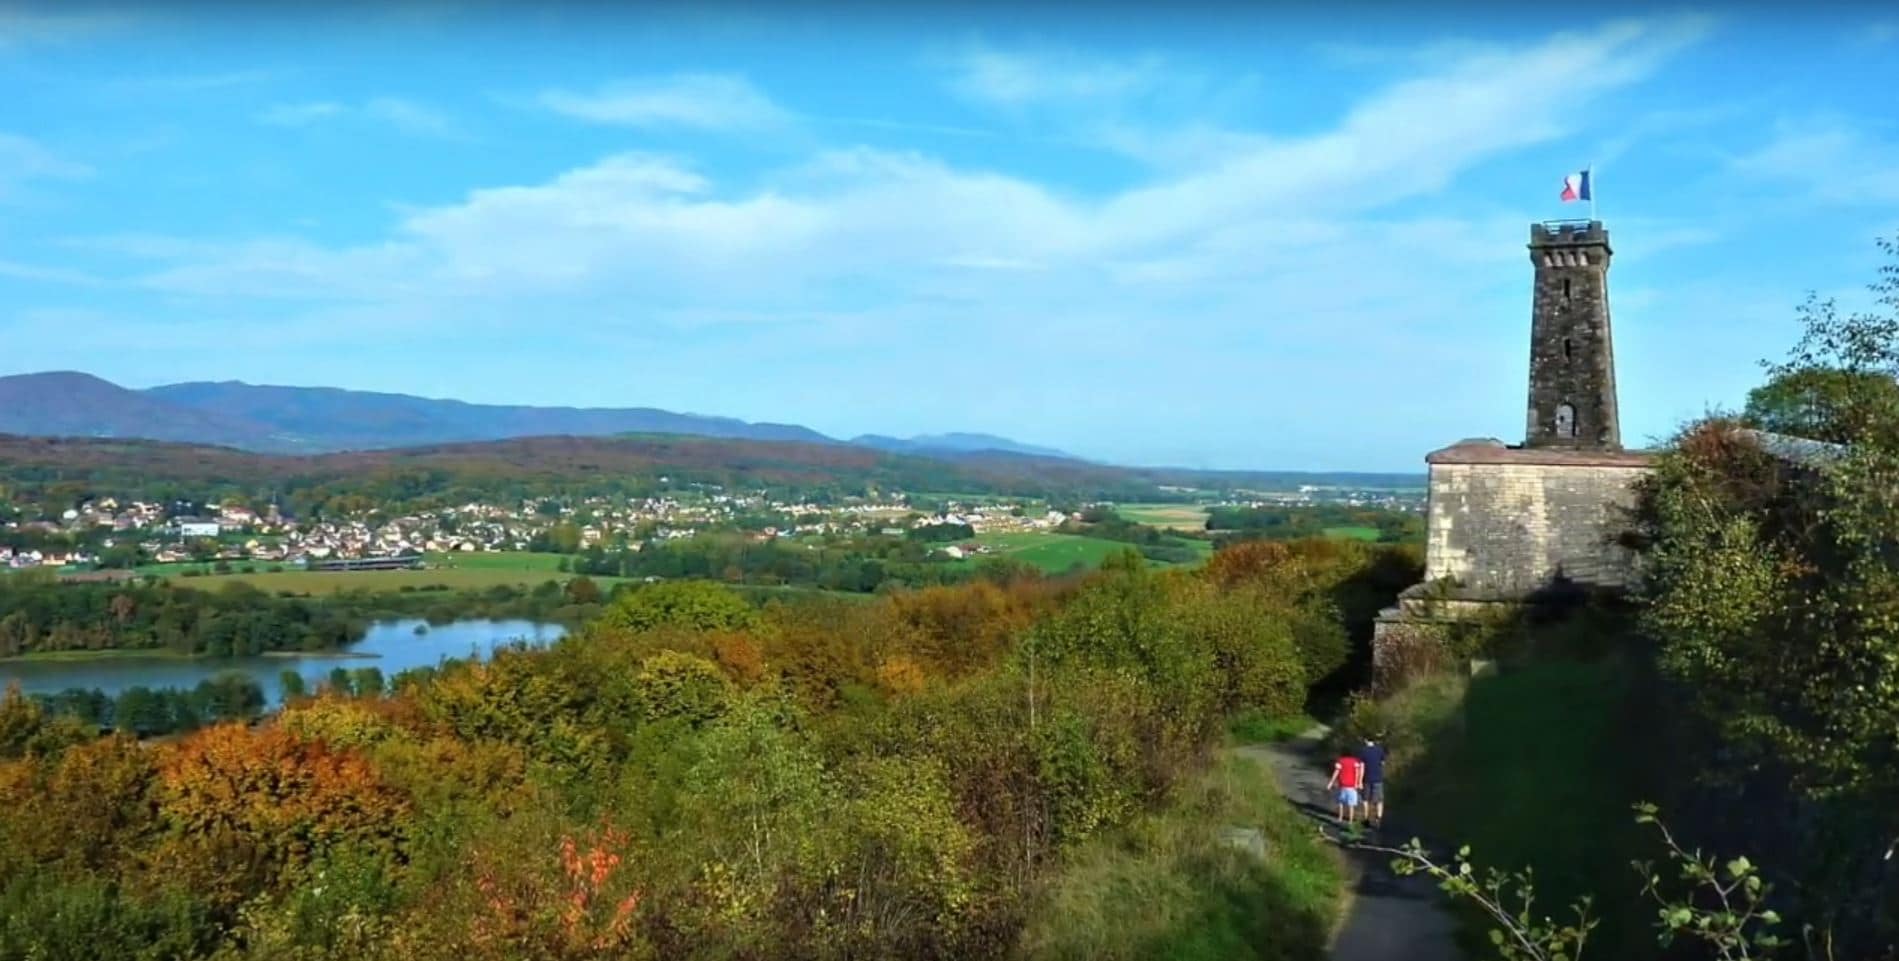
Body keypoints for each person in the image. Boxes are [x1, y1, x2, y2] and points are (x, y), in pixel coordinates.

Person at [1358, 735, 1389, 826]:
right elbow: (1383, 763)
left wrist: (1359, 781)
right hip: (1378, 778)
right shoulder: (1380, 750)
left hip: (1367, 778)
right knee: (1379, 800)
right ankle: (1378, 818)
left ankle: (1366, 818)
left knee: (1365, 799)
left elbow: (1362, 767)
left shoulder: (1363, 751)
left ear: (1365, 740)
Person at [1326, 750, 1363, 824]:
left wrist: (1331, 783)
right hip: (1352, 786)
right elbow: (1357, 773)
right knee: (1351, 804)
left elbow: (1336, 772)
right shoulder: (1355, 761)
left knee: (1340, 802)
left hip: (1342, 785)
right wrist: (1357, 783)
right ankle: (1350, 820)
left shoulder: (1340, 761)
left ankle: (1340, 818)